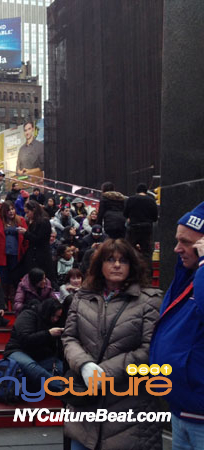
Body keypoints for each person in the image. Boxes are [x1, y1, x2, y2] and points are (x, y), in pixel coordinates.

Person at [62, 239, 162, 450]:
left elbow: (149, 349)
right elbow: (69, 338)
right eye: (110, 259)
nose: (116, 265)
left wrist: (103, 373)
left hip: (129, 410)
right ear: (100, 265)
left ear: (131, 265)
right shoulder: (82, 297)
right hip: (85, 409)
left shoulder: (149, 301)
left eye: (123, 260)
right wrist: (85, 365)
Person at [150, 201, 204, 448]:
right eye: (177, 239)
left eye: (186, 242)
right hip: (180, 410)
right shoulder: (186, 276)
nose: (176, 248)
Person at [3, 298, 64, 392]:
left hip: (39, 355)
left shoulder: (50, 322)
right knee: (33, 367)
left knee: (60, 367)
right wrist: (48, 334)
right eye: (54, 316)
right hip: (17, 350)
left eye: (58, 317)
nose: (55, 319)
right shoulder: (28, 315)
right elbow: (25, 339)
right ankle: (63, 389)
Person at [0, 200, 27, 306]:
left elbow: (27, 236)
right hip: (2, 254)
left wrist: (24, 249)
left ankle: (15, 299)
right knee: (4, 278)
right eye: (8, 210)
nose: (11, 211)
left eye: (12, 209)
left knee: (15, 278)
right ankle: (3, 300)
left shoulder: (21, 220)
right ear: (4, 211)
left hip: (16, 254)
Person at [21, 200, 57, 287]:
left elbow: (39, 239)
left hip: (41, 256)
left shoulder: (44, 222)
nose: (27, 215)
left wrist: (25, 233)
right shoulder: (33, 221)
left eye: (28, 212)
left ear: (34, 210)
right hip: (33, 254)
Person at [124, 183, 158, 262]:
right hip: (146, 229)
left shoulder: (131, 199)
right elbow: (155, 218)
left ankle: (130, 270)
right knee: (147, 252)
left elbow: (125, 214)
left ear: (137, 191)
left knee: (128, 250)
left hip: (133, 228)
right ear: (146, 192)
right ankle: (148, 272)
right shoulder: (151, 201)